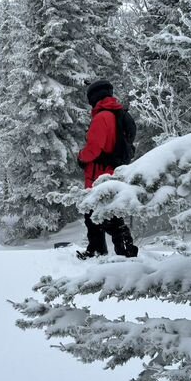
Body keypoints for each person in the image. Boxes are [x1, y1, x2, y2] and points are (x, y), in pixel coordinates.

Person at [76, 79, 138, 260]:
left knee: (101, 214)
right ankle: (101, 250)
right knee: (98, 214)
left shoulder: (102, 116)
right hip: (113, 170)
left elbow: (94, 147)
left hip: (99, 173)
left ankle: (123, 251)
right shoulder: (117, 113)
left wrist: (81, 157)